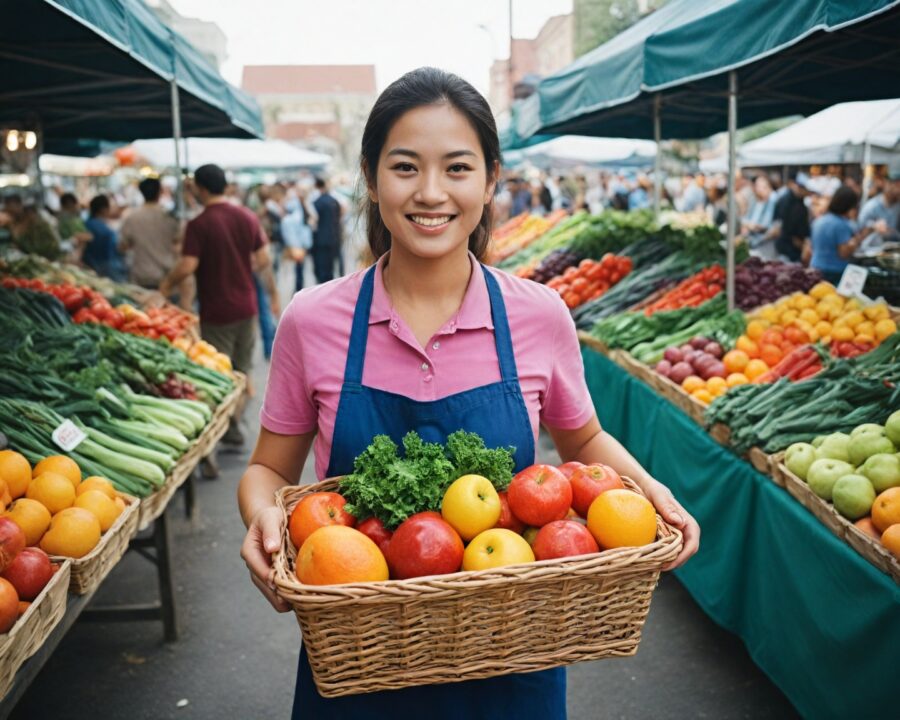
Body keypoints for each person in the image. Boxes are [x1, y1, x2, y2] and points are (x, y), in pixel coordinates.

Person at [238, 66, 699, 720]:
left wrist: (650, 490)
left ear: (490, 180)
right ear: (370, 178)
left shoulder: (539, 315)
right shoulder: (313, 321)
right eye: (405, 167)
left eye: (457, 168)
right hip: (360, 661)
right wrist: (261, 518)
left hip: (513, 659)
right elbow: (266, 469)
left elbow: (584, 440)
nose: (431, 192)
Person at [160, 164, 275, 473]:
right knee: (242, 370)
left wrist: (166, 285)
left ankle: (222, 436)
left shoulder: (199, 224)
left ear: (201, 188)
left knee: (218, 378)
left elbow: (186, 266)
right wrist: (241, 268)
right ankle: (235, 426)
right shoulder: (246, 217)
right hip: (246, 307)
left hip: (217, 311)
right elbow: (264, 259)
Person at [119, 178, 182, 290]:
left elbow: (122, 247)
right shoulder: (170, 218)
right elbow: (178, 243)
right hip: (167, 275)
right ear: (160, 192)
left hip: (142, 275)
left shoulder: (132, 218)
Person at [805, 186, 874, 284]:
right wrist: (858, 239)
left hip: (816, 267)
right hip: (834, 273)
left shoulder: (819, 220)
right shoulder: (841, 224)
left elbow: (810, 248)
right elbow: (843, 253)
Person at [0, 194, 62, 260]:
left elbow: (34, 249)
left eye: (12, 211)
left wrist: (16, 234)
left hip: (49, 258)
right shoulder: (14, 223)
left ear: (19, 206)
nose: (10, 215)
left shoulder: (35, 223)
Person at [83, 195, 126, 281]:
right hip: (108, 273)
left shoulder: (87, 224)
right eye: (112, 206)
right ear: (103, 209)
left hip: (92, 271)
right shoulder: (106, 231)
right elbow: (115, 252)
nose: (115, 208)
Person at [772, 172, 811, 263]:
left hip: (787, 246)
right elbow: (788, 230)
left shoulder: (797, 200)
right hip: (790, 249)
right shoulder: (789, 203)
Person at [280, 190, 314, 293]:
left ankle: (298, 288)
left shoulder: (291, 217)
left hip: (296, 246)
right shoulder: (302, 212)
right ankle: (299, 287)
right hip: (301, 245)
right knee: (300, 269)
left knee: (297, 269)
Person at [311, 177, 342, 284]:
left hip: (320, 239)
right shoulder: (334, 201)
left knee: (321, 269)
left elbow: (312, 221)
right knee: (330, 268)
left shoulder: (316, 202)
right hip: (333, 238)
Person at [858, 173, 900, 252]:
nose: (899, 190)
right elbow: (859, 231)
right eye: (897, 186)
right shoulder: (872, 206)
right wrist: (873, 226)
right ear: (888, 185)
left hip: (894, 250)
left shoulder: (897, 206)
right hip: (872, 252)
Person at [741, 176, 778, 259]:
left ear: (768, 187)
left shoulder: (773, 200)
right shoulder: (755, 201)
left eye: (762, 187)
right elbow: (745, 218)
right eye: (757, 186)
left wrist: (752, 226)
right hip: (753, 242)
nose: (759, 189)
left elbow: (766, 225)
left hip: (766, 244)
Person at [56, 193, 92, 258]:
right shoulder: (65, 221)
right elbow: (79, 237)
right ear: (70, 204)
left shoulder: (76, 218)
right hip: (71, 253)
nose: (79, 206)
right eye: (77, 204)